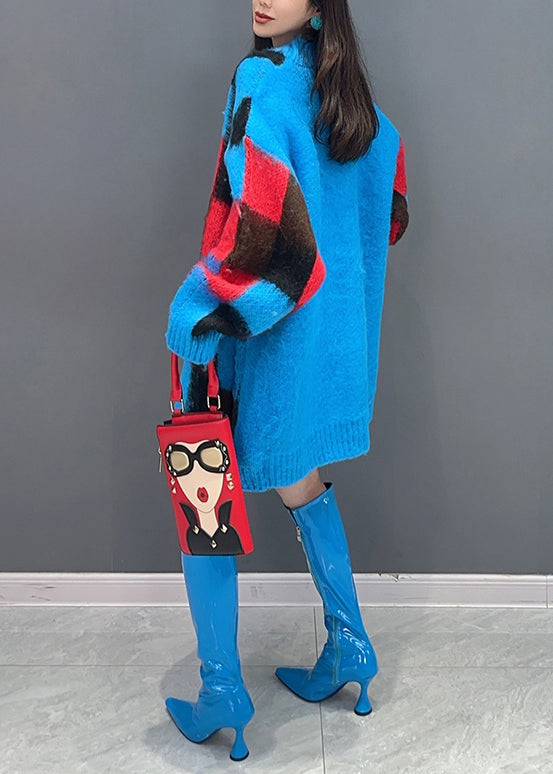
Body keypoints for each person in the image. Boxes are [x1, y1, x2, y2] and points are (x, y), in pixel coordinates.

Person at [164, 0, 409, 761]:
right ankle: (350, 646)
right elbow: (390, 209)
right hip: (324, 349)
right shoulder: (352, 105)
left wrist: (199, 313)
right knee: (299, 480)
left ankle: (221, 691)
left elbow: (273, 244)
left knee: (203, 492)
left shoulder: (260, 79)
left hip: (260, 340)